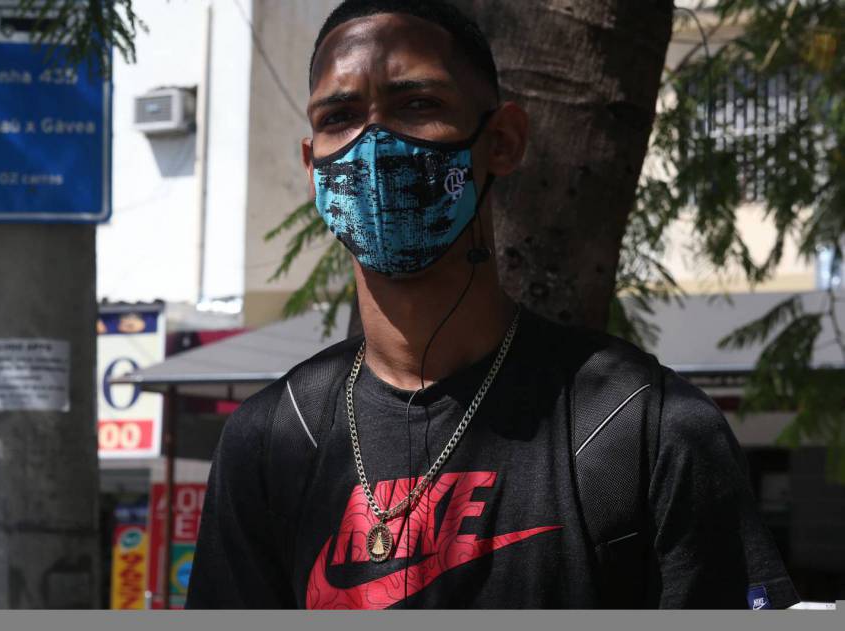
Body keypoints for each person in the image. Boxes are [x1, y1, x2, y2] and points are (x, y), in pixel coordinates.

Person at [185, 0, 798, 610]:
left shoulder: (641, 425)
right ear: (311, 166)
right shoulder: (271, 439)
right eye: (339, 117)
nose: (374, 146)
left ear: (502, 141)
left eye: (417, 104)